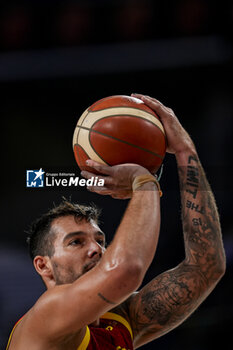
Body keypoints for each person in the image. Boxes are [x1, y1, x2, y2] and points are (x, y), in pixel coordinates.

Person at [6, 94, 226, 350]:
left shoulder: (121, 320)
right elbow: (126, 270)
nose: (96, 249)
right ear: (44, 266)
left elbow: (207, 266)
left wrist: (185, 150)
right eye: (76, 242)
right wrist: (144, 183)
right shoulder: (45, 315)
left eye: (100, 240)